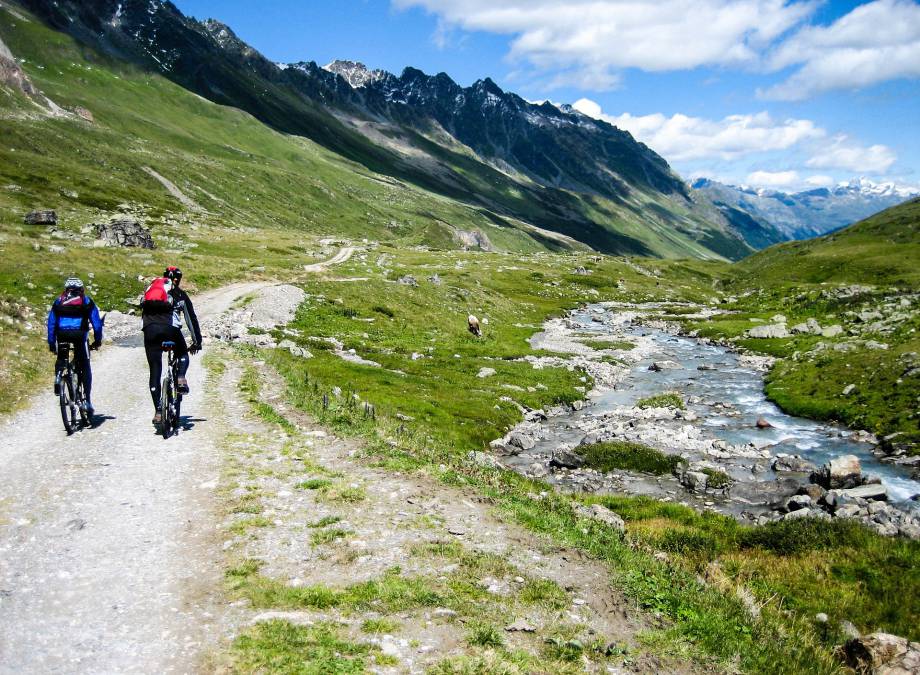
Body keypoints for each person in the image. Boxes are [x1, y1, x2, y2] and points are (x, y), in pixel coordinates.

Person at [141, 266, 202, 425]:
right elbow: (191, 319)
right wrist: (197, 342)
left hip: (150, 330)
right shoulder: (180, 294)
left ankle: (159, 411)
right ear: (178, 279)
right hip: (170, 330)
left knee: (155, 370)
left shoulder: (151, 292)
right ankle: (180, 377)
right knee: (182, 353)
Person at [47, 277, 103, 416]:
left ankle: (59, 376)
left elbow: (51, 323)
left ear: (66, 289)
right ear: (81, 289)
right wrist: (97, 340)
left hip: (62, 335)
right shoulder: (86, 301)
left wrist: (51, 342)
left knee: (61, 358)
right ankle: (87, 401)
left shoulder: (58, 301)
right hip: (79, 336)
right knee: (85, 365)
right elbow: (96, 323)